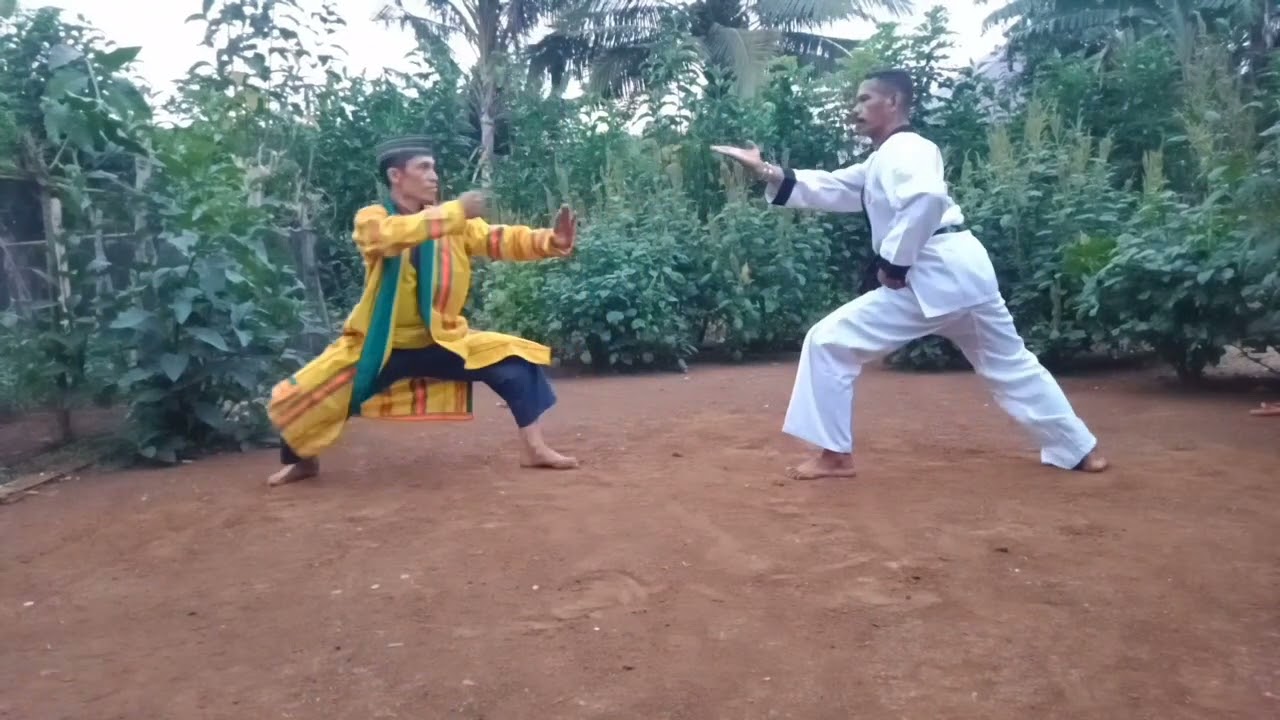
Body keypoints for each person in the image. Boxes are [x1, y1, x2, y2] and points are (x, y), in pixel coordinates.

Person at [711, 68, 1109, 480]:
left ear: (894, 102)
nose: (856, 109)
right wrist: (767, 171)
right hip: (966, 274)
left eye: (865, 99)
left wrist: (895, 264)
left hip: (930, 273)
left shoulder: (907, 149)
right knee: (1011, 365)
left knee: (828, 342)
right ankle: (1079, 448)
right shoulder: (884, 159)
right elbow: (836, 187)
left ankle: (834, 455)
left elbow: (927, 197)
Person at [266, 136, 578, 486]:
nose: (434, 176)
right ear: (396, 176)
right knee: (305, 392)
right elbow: (388, 237)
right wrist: (454, 211)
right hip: (383, 344)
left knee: (514, 365)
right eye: (423, 168)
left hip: (442, 338)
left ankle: (533, 448)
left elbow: (499, 239)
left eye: (434, 168)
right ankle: (302, 461)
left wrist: (551, 241)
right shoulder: (375, 218)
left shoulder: (452, 222)